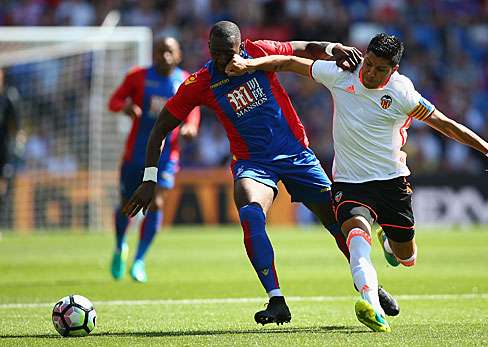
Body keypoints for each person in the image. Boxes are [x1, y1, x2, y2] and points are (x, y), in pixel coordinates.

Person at [225, 32, 488, 332]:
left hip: (392, 184)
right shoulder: (341, 73)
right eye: (369, 63)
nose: (370, 72)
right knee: (355, 240)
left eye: (381, 69)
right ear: (364, 57)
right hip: (350, 184)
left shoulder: (403, 93)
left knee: (407, 257)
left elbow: (445, 124)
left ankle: (390, 245)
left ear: (393, 71)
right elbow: (289, 62)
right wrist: (251, 66)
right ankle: (371, 306)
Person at [122, 21, 399, 325]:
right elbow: (159, 129)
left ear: (241, 47)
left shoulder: (258, 52)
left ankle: (372, 288)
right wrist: (149, 179)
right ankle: (276, 299)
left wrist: (334, 49)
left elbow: (300, 48)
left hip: (296, 156)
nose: (222, 61)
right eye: (216, 54)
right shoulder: (200, 82)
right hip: (253, 163)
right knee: (251, 212)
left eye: (228, 54)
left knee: (339, 223)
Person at [108, 37, 200, 283]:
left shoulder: (185, 80)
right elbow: (113, 101)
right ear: (153, 54)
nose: (165, 56)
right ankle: (119, 248)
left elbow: (193, 111)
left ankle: (139, 260)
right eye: (160, 51)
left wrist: (190, 127)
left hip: (167, 156)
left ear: (179, 55)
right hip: (135, 155)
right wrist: (125, 107)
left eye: (170, 51)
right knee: (128, 205)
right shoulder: (137, 76)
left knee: (157, 203)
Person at [0, 68, 19, 231]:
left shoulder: (8, 99)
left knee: (2, 189)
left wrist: (16, 148)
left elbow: (15, 127)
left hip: (3, 152)